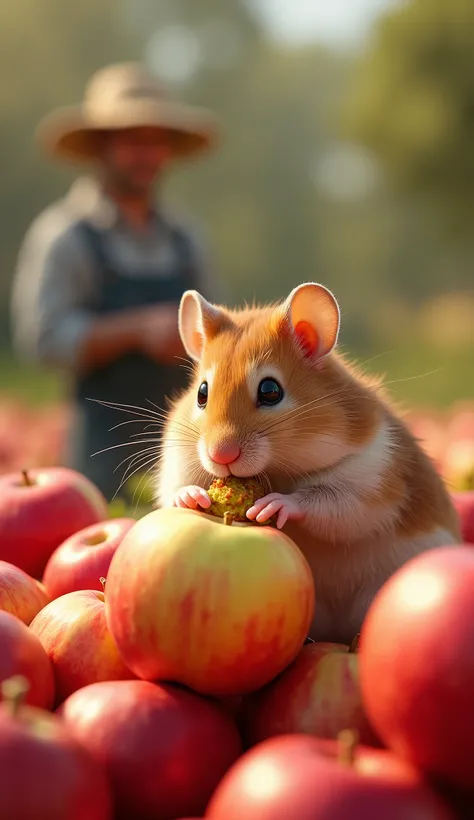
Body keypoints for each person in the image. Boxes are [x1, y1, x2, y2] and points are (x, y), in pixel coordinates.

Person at [11, 62, 221, 501]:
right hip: (100, 461)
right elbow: (44, 339)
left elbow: (224, 339)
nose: (146, 154)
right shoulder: (66, 236)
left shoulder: (186, 238)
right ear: (101, 147)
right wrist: (134, 331)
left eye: (156, 141)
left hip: (190, 459)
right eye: (132, 141)